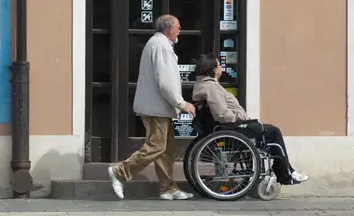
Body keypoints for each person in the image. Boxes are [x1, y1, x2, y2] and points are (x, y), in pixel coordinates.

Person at [108, 15, 196, 200]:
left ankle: (168, 188)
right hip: (156, 108)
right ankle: (120, 172)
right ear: (169, 28)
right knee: (156, 146)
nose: (180, 31)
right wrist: (181, 103)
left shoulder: (159, 44)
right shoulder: (161, 46)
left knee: (165, 149)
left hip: (158, 107)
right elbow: (166, 81)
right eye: (178, 27)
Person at [191, 53, 309, 184]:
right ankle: (286, 172)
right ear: (213, 70)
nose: (221, 68)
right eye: (219, 65)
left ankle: (284, 169)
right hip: (230, 127)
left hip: (228, 127)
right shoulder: (211, 88)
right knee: (273, 132)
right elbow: (222, 114)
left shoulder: (205, 85)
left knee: (268, 131)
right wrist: (241, 119)